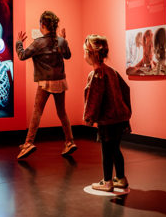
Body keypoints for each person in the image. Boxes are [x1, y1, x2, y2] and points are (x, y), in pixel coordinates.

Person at [16, 11, 77, 159]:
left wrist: (19, 42)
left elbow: (22, 55)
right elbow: (68, 55)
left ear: (42, 25)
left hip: (45, 82)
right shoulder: (61, 41)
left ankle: (28, 143)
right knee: (62, 113)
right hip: (60, 81)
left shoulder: (38, 42)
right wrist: (64, 40)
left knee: (37, 112)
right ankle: (69, 141)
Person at [83, 34, 132, 192]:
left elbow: (94, 98)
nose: (84, 54)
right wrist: (126, 111)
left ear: (92, 54)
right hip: (120, 118)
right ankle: (121, 178)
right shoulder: (112, 71)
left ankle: (107, 181)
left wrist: (89, 117)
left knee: (106, 150)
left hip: (108, 121)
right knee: (116, 149)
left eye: (85, 51)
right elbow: (126, 90)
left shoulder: (97, 74)